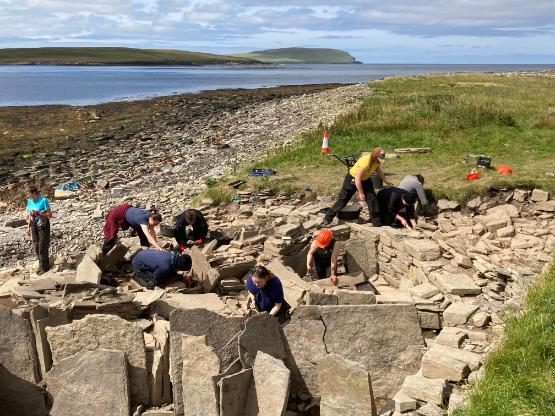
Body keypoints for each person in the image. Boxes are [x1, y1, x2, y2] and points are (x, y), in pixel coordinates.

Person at [323, 147, 392, 227]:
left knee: (372, 200)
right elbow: (357, 178)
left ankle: (376, 222)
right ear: (375, 156)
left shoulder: (376, 161)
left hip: (365, 180)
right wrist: (361, 193)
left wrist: (385, 180)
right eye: (378, 159)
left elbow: (377, 169)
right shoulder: (366, 161)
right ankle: (327, 219)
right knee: (343, 200)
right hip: (352, 179)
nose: (379, 161)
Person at [26, 186, 52, 275]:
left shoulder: (43, 200)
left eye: (29, 194)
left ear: (34, 193)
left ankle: (45, 268)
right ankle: (41, 266)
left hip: (43, 224)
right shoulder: (29, 201)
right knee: (36, 246)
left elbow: (50, 214)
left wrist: (39, 213)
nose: (28, 196)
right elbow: (30, 214)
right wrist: (28, 227)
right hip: (34, 225)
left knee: (42, 246)